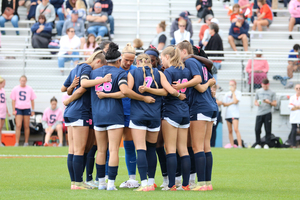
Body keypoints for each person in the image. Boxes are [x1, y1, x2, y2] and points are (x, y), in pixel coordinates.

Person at [81, 43, 154, 191]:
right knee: (114, 150)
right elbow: (125, 91)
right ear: (119, 60)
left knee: (101, 150)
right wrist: (143, 98)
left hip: (98, 115)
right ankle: (111, 184)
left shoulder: (94, 73)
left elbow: (84, 85)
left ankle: (101, 183)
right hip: (115, 115)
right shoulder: (119, 73)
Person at [128, 53, 183, 192]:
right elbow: (166, 92)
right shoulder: (159, 73)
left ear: (138, 62)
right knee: (151, 149)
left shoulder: (133, 72)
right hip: (154, 116)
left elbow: (127, 92)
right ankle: (151, 182)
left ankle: (144, 183)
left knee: (140, 148)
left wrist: (143, 96)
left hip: (138, 115)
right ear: (150, 62)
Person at [61, 50, 109, 190]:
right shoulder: (87, 67)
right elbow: (83, 86)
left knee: (74, 149)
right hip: (79, 111)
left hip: (71, 111)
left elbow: (64, 88)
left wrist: (70, 91)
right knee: (80, 150)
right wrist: (103, 80)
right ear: (98, 61)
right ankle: (78, 183)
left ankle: (74, 182)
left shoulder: (76, 67)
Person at [176, 40, 217, 191]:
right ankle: (207, 183)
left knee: (197, 146)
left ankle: (200, 184)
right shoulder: (201, 64)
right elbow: (212, 81)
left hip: (200, 106)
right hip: (210, 106)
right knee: (206, 147)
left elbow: (199, 86)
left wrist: (180, 87)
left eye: (178, 52)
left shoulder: (191, 62)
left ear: (184, 52)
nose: (177, 55)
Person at [159, 46, 192, 190]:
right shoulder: (187, 71)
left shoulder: (168, 72)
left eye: (162, 58)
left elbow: (166, 92)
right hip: (185, 111)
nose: (161, 61)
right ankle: (185, 185)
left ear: (167, 57)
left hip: (171, 111)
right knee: (183, 149)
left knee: (170, 149)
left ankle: (171, 184)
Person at [10, 75, 36, 146]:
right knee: (18, 125)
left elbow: (32, 100)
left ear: (26, 81)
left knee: (26, 126)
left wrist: (32, 110)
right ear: (19, 81)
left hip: (27, 108)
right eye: (21, 80)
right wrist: (13, 110)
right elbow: (13, 100)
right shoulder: (15, 89)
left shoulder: (29, 89)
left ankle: (26, 142)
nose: (23, 82)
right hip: (18, 108)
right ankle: (17, 142)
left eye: (24, 81)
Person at [254, 78, 277, 149]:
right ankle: (258, 143)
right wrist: (257, 103)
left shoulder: (272, 92)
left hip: (267, 113)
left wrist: (269, 102)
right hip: (259, 113)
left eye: (266, 86)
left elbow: (275, 103)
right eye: (263, 86)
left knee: (268, 129)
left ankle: (267, 143)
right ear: (261, 85)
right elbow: (255, 101)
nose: (265, 87)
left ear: (268, 85)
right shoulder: (258, 91)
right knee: (257, 129)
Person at [222, 80, 242, 148]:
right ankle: (232, 144)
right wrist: (232, 102)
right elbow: (224, 104)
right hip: (228, 114)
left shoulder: (238, 93)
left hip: (235, 114)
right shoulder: (227, 94)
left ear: (235, 85)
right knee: (230, 130)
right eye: (230, 85)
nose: (231, 86)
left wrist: (233, 93)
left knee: (236, 129)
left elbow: (236, 101)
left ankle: (240, 145)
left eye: (232, 85)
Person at [205, 22, 223, 88]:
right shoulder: (214, 37)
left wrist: (210, 59)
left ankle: (216, 85)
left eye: (209, 29)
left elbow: (214, 50)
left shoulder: (215, 37)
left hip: (215, 60)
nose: (208, 30)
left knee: (213, 72)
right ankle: (216, 85)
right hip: (214, 59)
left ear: (213, 30)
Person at [288, 84, 300, 148]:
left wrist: (295, 106)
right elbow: (291, 107)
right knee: (294, 131)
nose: (298, 90)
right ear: (295, 89)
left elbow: (293, 106)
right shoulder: (292, 97)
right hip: (294, 117)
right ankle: (293, 144)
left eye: (299, 88)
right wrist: (298, 107)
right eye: (297, 88)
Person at [0, 78, 11, 147]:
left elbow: (4, 102)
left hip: (3, 111)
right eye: (4, 83)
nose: (5, 84)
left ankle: (0, 142)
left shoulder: (3, 90)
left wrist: (7, 111)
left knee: (0, 128)